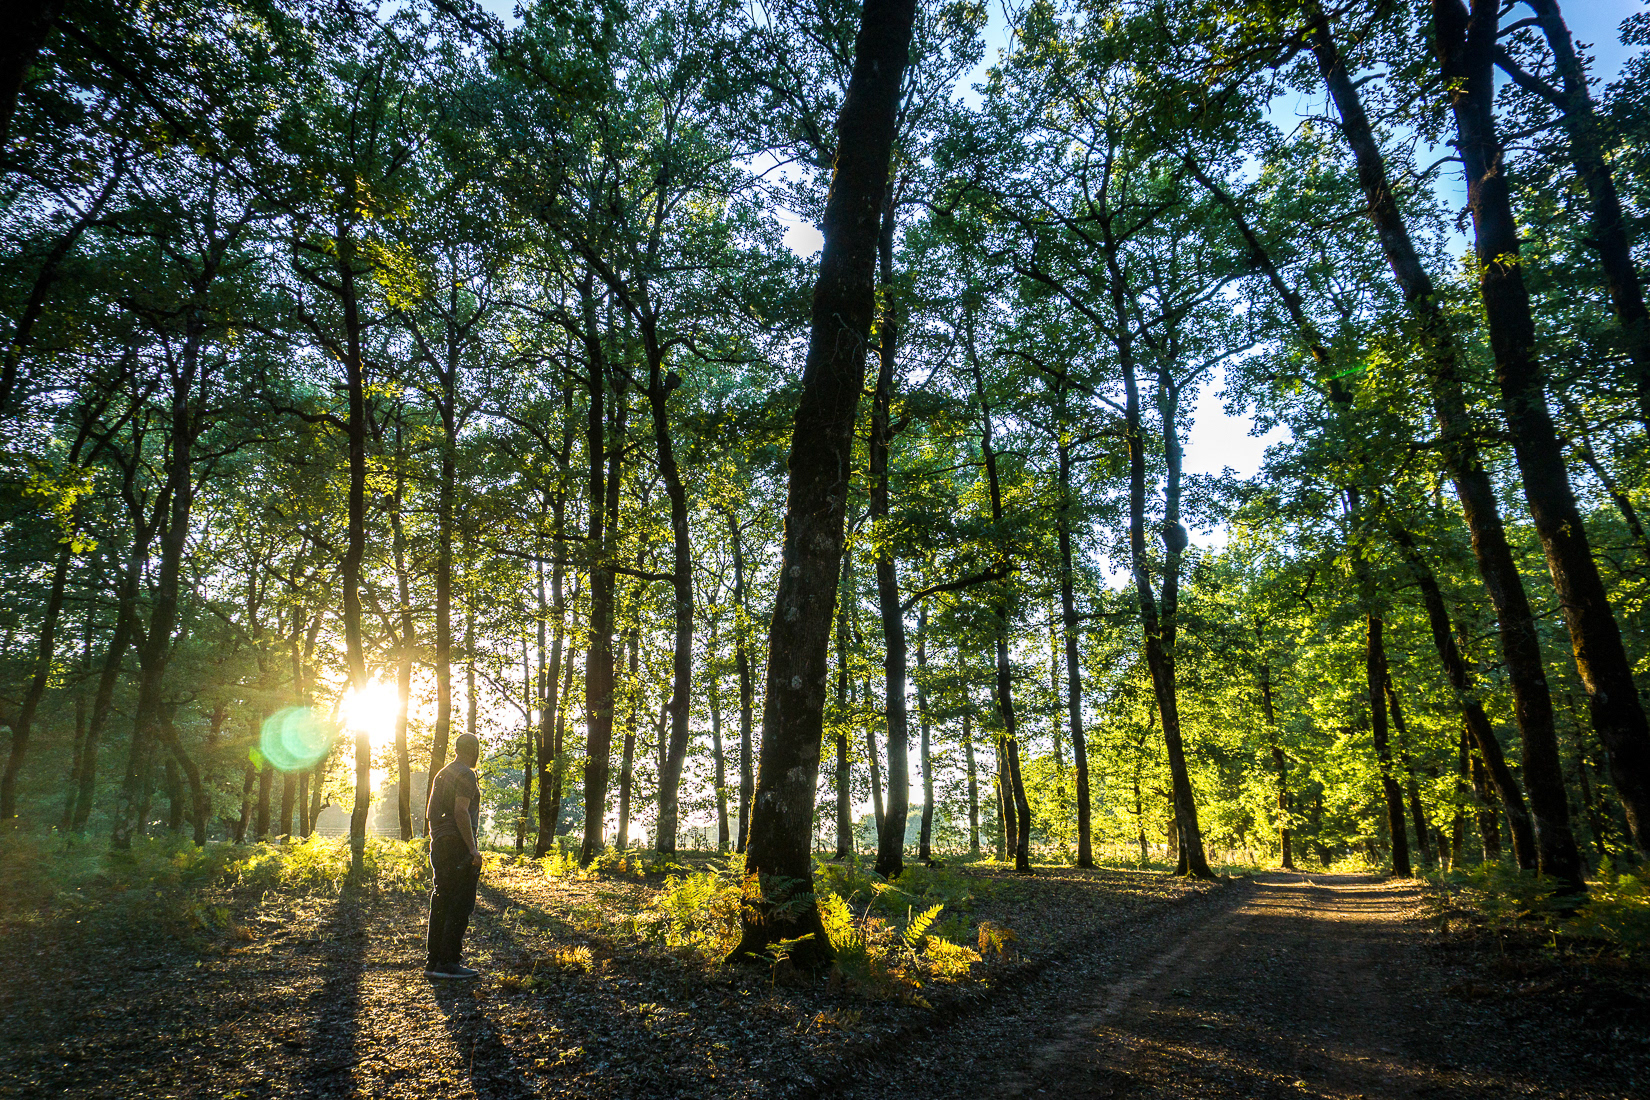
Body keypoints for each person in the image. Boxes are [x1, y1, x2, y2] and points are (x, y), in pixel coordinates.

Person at [425, 732, 484, 979]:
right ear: (473, 751)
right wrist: (472, 849)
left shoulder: (443, 773)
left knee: (441, 900)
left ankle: (434, 962)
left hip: (439, 843)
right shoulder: (466, 774)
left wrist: (437, 837)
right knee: (460, 903)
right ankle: (449, 962)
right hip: (457, 845)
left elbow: (430, 813)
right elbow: (461, 812)